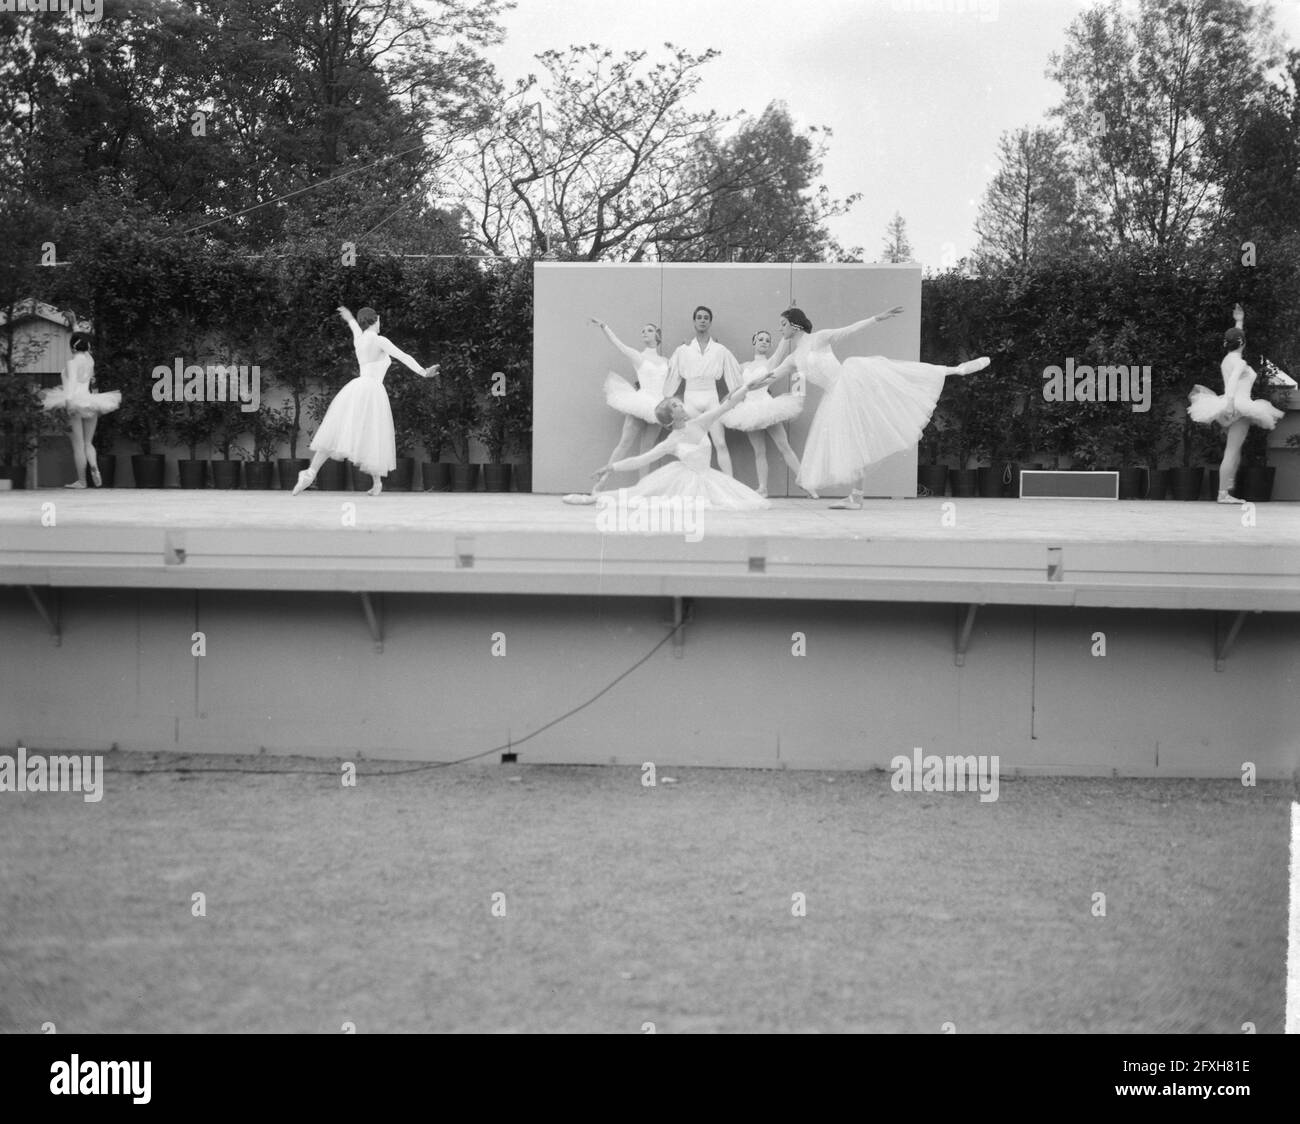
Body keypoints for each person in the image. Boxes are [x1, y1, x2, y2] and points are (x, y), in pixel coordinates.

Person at [752, 306, 989, 509]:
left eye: (782, 324)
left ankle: (955, 369)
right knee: (851, 442)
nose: (779, 329)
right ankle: (856, 496)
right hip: (835, 395)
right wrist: (745, 387)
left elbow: (848, 330)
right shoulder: (794, 358)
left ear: (795, 326)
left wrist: (877, 318)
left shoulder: (818, 338)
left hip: (849, 383)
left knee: (896, 379)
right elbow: (771, 376)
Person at [293, 306, 437, 496]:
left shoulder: (359, 339)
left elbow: (354, 326)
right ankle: (372, 482)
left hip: (357, 388)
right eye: (379, 319)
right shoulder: (379, 340)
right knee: (371, 433)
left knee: (341, 430)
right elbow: (402, 356)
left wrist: (350, 318)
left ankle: (311, 473)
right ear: (374, 320)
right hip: (373, 390)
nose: (380, 323)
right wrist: (423, 372)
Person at [591, 380, 768, 510]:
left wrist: (746, 387)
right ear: (671, 416)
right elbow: (641, 460)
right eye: (675, 405)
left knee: (736, 503)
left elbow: (726, 406)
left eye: (678, 403)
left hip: (709, 477)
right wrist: (611, 467)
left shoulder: (700, 423)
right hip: (686, 483)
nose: (681, 405)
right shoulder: (672, 441)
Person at [1187, 306, 1285, 504]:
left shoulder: (1228, 359)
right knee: (1232, 451)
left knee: (1235, 450)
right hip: (1239, 405)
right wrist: (1231, 404)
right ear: (1241, 342)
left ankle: (1226, 491)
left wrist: (1239, 322)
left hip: (1235, 404)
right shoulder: (1239, 363)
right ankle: (1223, 493)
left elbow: (1237, 339)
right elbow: (1232, 383)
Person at [721, 329, 808, 497]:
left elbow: (783, 347)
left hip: (767, 407)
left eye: (767, 340)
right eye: (760, 339)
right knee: (759, 451)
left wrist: (790, 327)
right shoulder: (743, 366)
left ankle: (805, 482)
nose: (764, 342)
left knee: (784, 446)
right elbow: (731, 378)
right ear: (754, 341)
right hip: (748, 410)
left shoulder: (771, 363)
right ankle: (763, 488)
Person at [41, 314, 120, 488]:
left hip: (75, 403)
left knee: (78, 445)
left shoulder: (71, 363)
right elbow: (81, 341)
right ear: (87, 347)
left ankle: (82, 481)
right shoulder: (90, 361)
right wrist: (75, 325)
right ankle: (94, 467)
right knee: (88, 443)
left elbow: (70, 388)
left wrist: (69, 404)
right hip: (91, 402)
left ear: (72, 348)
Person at [664, 305, 743, 477]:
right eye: (699, 317)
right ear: (694, 321)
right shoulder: (683, 349)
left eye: (706, 318)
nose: (702, 320)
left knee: (720, 443)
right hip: (690, 398)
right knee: (691, 445)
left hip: (711, 398)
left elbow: (734, 372)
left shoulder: (720, 350)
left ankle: (730, 486)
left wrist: (733, 395)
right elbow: (671, 374)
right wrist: (668, 398)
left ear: (710, 322)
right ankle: (691, 487)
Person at [590, 317, 669, 479]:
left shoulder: (666, 361)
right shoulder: (638, 356)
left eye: (649, 330)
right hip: (641, 403)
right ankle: (601, 483)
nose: (645, 333)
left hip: (659, 406)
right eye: (643, 331)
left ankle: (642, 488)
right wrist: (605, 327)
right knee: (624, 444)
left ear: (657, 336)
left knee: (647, 450)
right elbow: (619, 345)